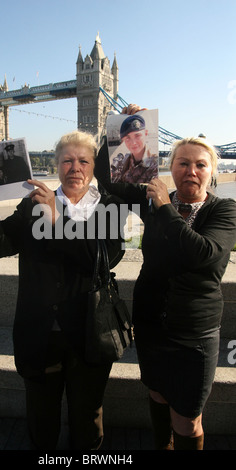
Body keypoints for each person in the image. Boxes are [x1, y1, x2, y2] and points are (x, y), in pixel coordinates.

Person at [0, 130, 125, 450]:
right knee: (41, 420)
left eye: (83, 160)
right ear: (55, 166)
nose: (75, 167)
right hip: (40, 333)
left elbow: (105, 258)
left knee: (88, 418)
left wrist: (57, 218)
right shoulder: (32, 204)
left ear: (94, 166)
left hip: (89, 332)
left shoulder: (112, 207)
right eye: (67, 160)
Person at [94, 104, 236, 450]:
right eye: (183, 163)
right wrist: (119, 130)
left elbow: (204, 255)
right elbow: (108, 177)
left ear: (211, 173)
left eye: (200, 165)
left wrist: (165, 208)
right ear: (170, 168)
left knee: (187, 421)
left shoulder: (224, 209)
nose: (191, 170)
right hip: (151, 325)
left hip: (194, 335)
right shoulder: (153, 198)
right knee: (156, 396)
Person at [111, 113, 158, 183]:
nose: (133, 143)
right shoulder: (123, 162)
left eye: (137, 135)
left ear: (146, 133)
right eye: (127, 138)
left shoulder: (155, 163)